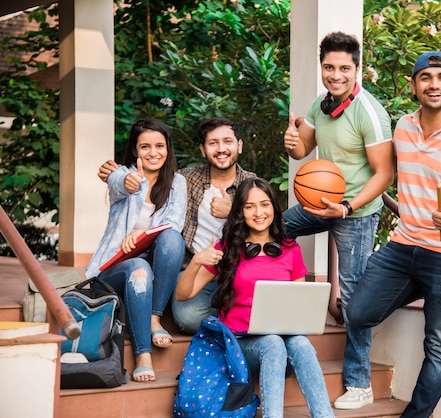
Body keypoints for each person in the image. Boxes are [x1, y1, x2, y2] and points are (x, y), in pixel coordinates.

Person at [346, 51, 441, 417]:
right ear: (414, 86)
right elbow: (375, 162)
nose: (434, 85)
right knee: (357, 311)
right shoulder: (402, 127)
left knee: (439, 346)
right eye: (426, 78)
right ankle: (418, 283)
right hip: (404, 246)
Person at [282, 31, 395, 409]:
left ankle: (360, 384)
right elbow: (304, 149)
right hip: (319, 202)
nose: (336, 74)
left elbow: (383, 175)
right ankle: (272, 313)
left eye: (344, 67)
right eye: (329, 67)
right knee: (274, 228)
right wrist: (291, 140)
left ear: (357, 69)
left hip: (356, 212)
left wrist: (346, 207)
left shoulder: (371, 113)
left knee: (353, 299)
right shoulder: (321, 104)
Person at [175, 177, 334, 418]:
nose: (258, 212)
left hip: (281, 349)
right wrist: (197, 260)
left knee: (299, 343)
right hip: (240, 348)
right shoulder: (226, 248)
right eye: (250, 207)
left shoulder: (290, 248)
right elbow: (183, 294)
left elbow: (297, 307)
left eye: (264, 204)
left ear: (273, 208)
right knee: (272, 343)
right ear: (240, 212)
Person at [98, 117, 256, 334]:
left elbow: (269, 227)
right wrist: (113, 174)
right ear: (203, 149)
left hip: (238, 269)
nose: (221, 149)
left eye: (227, 141)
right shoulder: (185, 179)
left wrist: (234, 212)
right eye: (212, 143)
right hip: (194, 268)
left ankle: (233, 318)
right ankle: (237, 319)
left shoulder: (252, 185)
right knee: (188, 318)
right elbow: (148, 179)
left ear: (239, 145)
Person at [86, 118, 187, 382]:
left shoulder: (178, 183)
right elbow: (121, 182)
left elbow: (174, 221)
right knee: (139, 267)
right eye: (145, 147)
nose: (153, 153)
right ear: (135, 150)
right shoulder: (124, 175)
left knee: (173, 237)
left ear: (168, 149)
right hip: (113, 271)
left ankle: (154, 318)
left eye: (159, 146)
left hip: (153, 268)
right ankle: (143, 355)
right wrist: (130, 181)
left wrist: (142, 234)